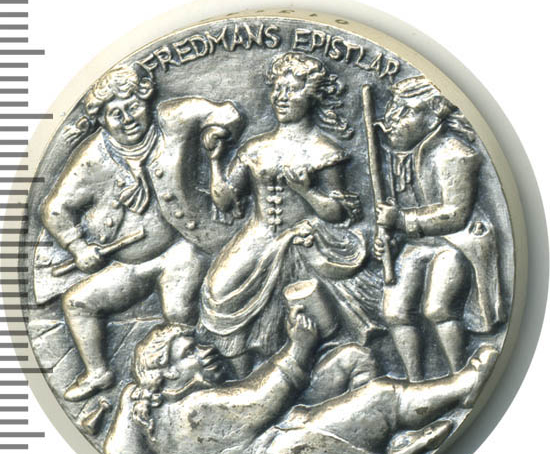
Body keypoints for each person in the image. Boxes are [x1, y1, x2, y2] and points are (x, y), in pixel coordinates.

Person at [104, 305, 498, 454]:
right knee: (380, 396)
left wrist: (129, 402)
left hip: (270, 440)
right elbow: (264, 399)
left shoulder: (152, 412)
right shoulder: (194, 409)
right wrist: (300, 345)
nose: (205, 351)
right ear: (169, 372)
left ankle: (392, 441)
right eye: (190, 352)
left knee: (351, 359)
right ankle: (462, 389)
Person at [41, 65, 243, 401]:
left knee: (179, 316)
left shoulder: (173, 119)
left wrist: (215, 132)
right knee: (77, 303)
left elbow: (228, 113)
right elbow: (55, 209)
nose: (128, 119)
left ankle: (213, 379)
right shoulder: (92, 159)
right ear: (102, 119)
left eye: (133, 106)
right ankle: (98, 374)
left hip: (183, 248)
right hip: (130, 264)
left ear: (146, 99)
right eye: (115, 114)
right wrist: (77, 247)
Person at [200, 51, 371, 378]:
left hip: (305, 240)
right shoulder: (255, 149)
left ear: (312, 95)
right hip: (258, 234)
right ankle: (241, 378)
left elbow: (338, 213)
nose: (281, 97)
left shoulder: (324, 152)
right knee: (220, 293)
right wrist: (214, 160)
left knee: (300, 312)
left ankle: (300, 373)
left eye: (291, 90)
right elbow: (225, 201)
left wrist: (308, 192)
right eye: (277, 89)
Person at [374, 76, 503, 381]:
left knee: (438, 308)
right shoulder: (398, 158)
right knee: (395, 311)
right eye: (393, 111)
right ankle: (416, 382)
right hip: (418, 244)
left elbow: (455, 214)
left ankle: (460, 377)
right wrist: (389, 240)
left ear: (433, 115)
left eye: (406, 112)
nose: (393, 121)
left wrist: (402, 221)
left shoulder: (454, 154)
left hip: (454, 242)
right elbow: (395, 211)